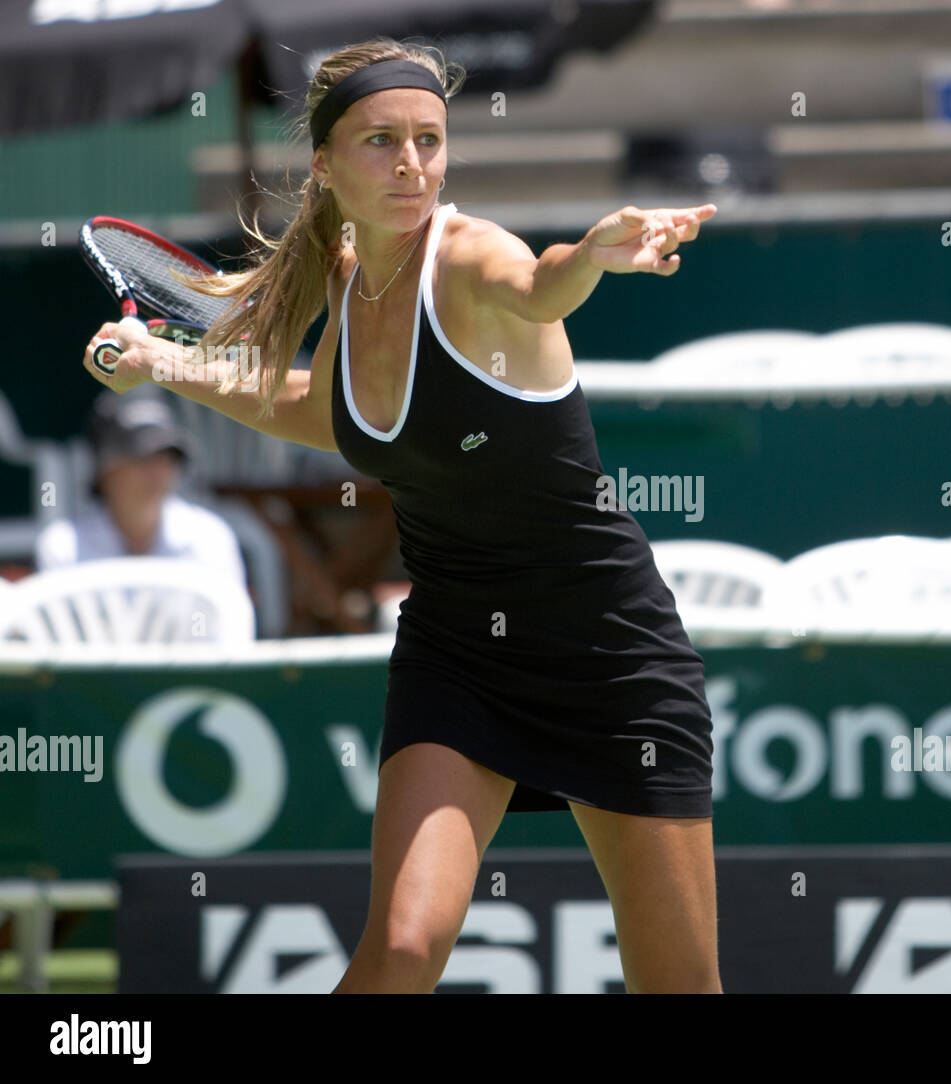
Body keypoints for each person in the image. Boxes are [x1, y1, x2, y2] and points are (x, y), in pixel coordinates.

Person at [81, 38, 721, 994]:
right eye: (383, 142)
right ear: (328, 166)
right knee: (404, 950)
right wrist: (161, 363)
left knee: (679, 986)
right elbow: (321, 411)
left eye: (429, 139)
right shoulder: (348, 276)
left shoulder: (473, 258)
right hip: (458, 649)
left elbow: (540, 282)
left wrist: (592, 255)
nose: (412, 164)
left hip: (610, 653)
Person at [34, 389, 248, 593]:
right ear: (105, 470)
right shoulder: (62, 546)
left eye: (167, 457)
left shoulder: (211, 538)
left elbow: (229, 627)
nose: (157, 470)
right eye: (141, 457)